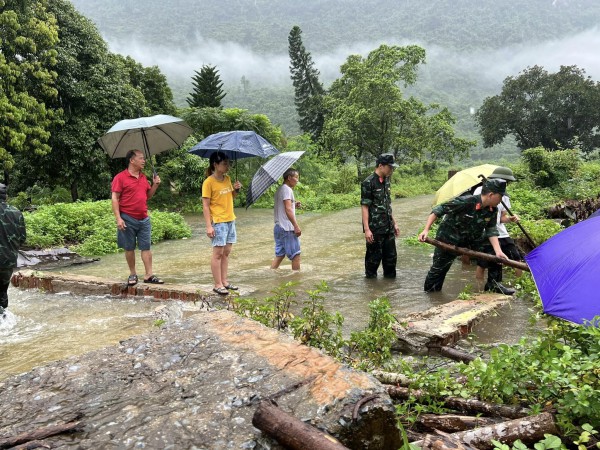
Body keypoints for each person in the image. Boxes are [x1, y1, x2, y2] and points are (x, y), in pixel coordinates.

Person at [418, 179, 516, 295]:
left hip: (471, 239)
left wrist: (498, 251)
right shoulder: (466, 201)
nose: (500, 201)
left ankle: (494, 285)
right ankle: (431, 295)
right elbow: (438, 211)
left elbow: (491, 230)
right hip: (448, 240)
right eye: (500, 197)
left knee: (494, 250)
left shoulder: (492, 210)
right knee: (438, 271)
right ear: (491, 195)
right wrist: (426, 230)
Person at [111, 149, 163, 286]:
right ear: (132, 160)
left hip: (144, 218)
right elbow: (115, 198)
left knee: (146, 247)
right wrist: (118, 218)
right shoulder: (120, 177)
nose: (143, 161)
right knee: (129, 248)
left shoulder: (143, 177)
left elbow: (147, 196)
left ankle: (149, 275)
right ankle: (133, 274)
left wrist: (155, 185)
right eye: (140, 158)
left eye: (143, 158)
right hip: (127, 218)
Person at [473, 167, 523, 288]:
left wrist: (510, 219)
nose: (506, 185)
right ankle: (479, 288)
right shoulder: (480, 191)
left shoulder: (505, 196)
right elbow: (476, 210)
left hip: (501, 233)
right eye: (505, 182)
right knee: (483, 263)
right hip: (486, 233)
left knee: (516, 259)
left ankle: (520, 286)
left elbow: (502, 218)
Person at [202, 151, 242, 295]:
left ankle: (225, 281)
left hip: (230, 219)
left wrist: (236, 190)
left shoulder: (227, 179)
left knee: (226, 253)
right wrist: (208, 225)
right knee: (217, 253)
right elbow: (205, 206)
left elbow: (231, 196)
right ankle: (217, 284)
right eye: (225, 163)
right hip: (218, 221)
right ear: (215, 164)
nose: (227, 166)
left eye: (228, 163)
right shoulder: (208, 182)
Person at [361, 153, 400, 279]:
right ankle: (371, 292)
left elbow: (387, 205)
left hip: (388, 228)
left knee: (391, 261)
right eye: (390, 167)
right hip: (375, 229)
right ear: (381, 166)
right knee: (373, 262)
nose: (392, 170)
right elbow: (365, 207)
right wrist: (367, 230)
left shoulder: (387, 181)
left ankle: (390, 292)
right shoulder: (368, 182)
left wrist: (394, 223)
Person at [0, 184, 26, 317]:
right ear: (6, 196)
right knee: (3, 291)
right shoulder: (16, 212)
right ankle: (4, 319)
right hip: (7, 261)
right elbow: (22, 238)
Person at [271, 168, 302, 270]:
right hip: (287, 228)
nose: (297, 180)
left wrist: (294, 203)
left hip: (278, 227)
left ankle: (271, 275)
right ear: (289, 178)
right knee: (296, 256)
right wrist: (296, 226)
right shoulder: (287, 189)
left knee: (280, 255)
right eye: (296, 177)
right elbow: (288, 209)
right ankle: (296, 282)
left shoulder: (280, 189)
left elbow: (285, 206)